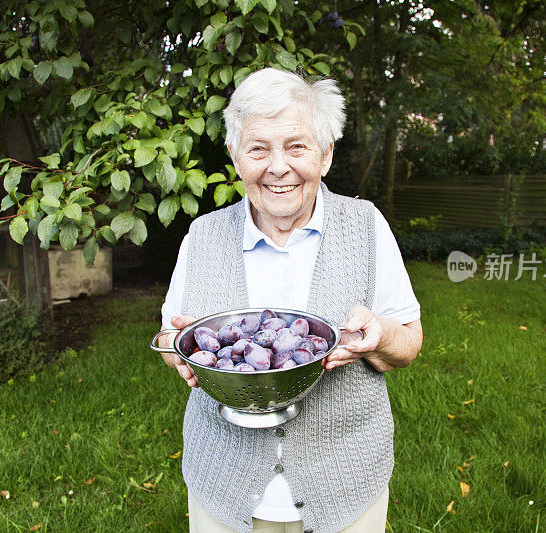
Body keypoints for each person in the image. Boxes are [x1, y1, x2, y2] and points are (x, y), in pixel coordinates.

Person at [158, 68, 423, 533]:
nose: (277, 167)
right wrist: (180, 352)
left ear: (325, 155)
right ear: (237, 158)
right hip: (223, 484)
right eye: (258, 148)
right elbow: (172, 335)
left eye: (296, 147)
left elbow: (410, 343)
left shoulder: (365, 226)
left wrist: (380, 337)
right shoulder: (203, 236)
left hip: (344, 487)